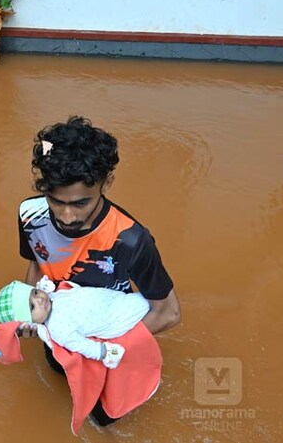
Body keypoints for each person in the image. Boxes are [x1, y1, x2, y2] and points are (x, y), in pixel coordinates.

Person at [15, 116, 181, 425]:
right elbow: (37, 263)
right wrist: (31, 316)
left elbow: (168, 312)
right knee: (55, 372)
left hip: (108, 341)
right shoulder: (30, 215)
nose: (66, 215)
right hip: (59, 331)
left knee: (102, 417)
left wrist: (104, 349)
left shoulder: (131, 240)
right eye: (55, 200)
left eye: (80, 203)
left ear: (107, 183)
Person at [0, 279, 147, 368]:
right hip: (117, 318)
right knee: (150, 303)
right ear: (27, 321)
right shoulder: (58, 329)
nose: (39, 299)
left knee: (147, 299)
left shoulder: (53, 298)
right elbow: (84, 346)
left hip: (115, 301)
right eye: (32, 307)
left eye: (35, 293)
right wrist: (109, 353)